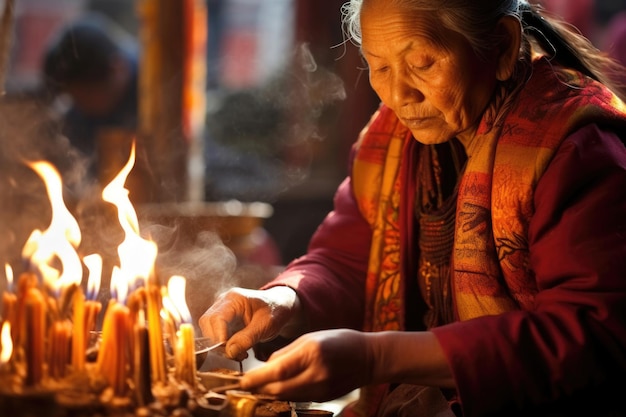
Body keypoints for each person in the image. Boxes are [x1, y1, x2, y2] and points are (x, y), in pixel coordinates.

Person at [199, 1, 626, 416]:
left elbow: (592, 333)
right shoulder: (391, 141)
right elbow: (348, 258)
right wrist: (285, 299)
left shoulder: (575, 148)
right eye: (380, 67)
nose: (399, 94)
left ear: (499, 45)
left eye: (422, 63)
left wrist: (377, 357)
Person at [41, 13, 139, 182]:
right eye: (74, 98)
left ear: (117, 69)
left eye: (88, 95)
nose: (83, 105)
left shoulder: (154, 89)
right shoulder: (76, 114)